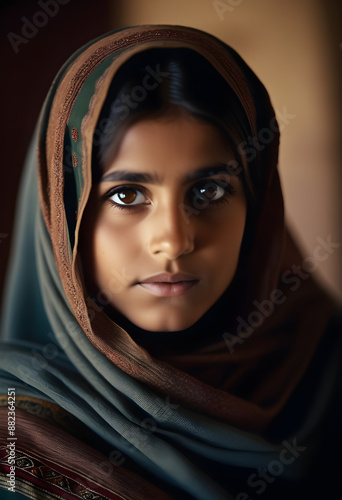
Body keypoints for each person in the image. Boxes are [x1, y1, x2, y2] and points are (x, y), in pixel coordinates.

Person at [0, 24, 341, 500]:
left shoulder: (321, 361)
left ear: (260, 206)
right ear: (61, 215)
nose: (175, 242)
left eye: (209, 191)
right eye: (126, 194)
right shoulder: (17, 433)